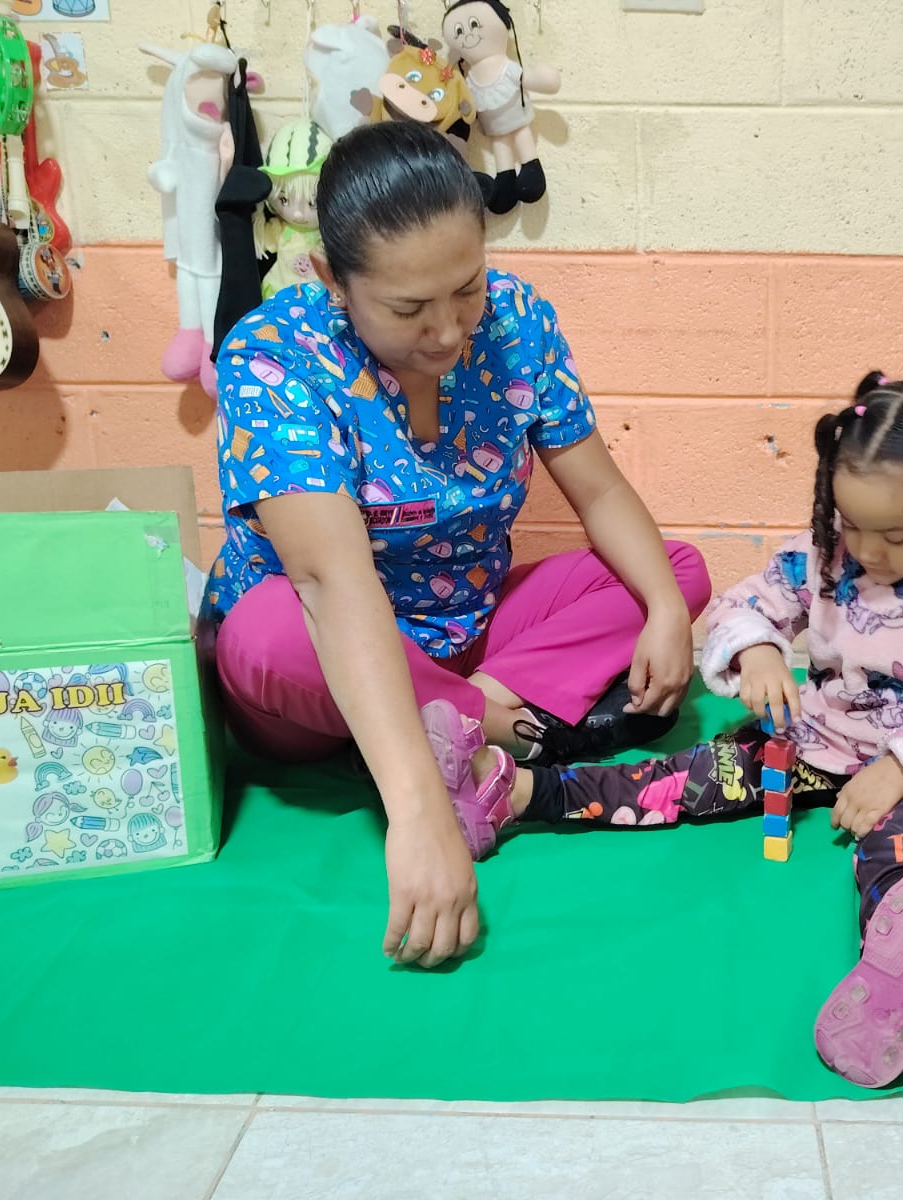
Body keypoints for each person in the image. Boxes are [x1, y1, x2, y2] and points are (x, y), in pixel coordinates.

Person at [419, 373, 903, 1087]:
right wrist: (756, 650)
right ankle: (514, 792)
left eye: (897, 536)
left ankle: (898, 985)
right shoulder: (828, 553)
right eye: (850, 525)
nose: (867, 551)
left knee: (893, 846)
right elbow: (746, 603)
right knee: (687, 776)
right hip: (821, 739)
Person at [203, 121, 710, 970]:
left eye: (465, 289)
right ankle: (490, 728)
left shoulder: (516, 319)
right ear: (330, 280)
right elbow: (331, 585)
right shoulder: (272, 356)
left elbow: (601, 492)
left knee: (676, 571)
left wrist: (662, 607)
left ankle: (468, 714)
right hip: (325, 664)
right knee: (260, 634)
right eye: (408, 309)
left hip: (466, 631)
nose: (447, 332)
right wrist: (418, 813)